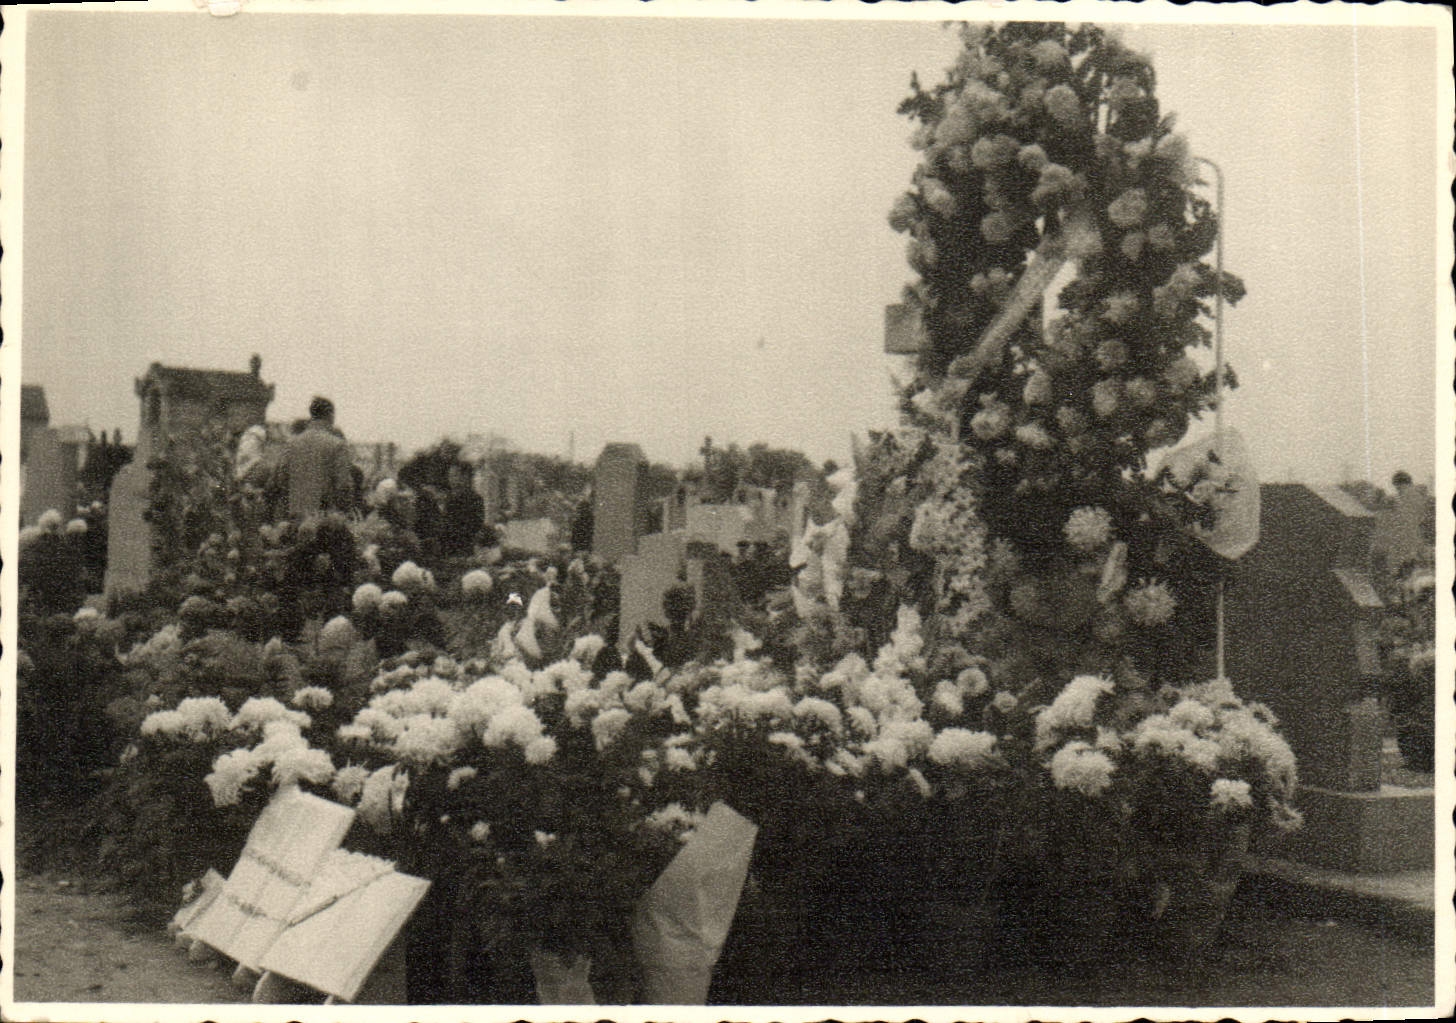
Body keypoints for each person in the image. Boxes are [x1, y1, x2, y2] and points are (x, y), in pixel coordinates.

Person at [271, 397, 356, 518]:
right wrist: (345, 513)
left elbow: (282, 478)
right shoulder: (337, 445)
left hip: (295, 516)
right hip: (325, 517)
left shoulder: (292, 444)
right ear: (330, 415)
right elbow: (343, 485)